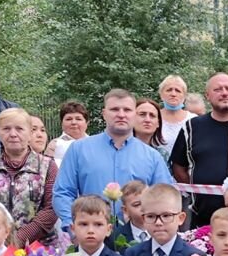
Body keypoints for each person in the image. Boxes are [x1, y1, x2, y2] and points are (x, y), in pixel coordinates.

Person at [53, 89, 174, 226]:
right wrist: (73, 225)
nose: (121, 115)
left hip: (137, 234)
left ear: (134, 114)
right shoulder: (79, 150)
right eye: (115, 109)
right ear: (104, 114)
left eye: (127, 110)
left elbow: (164, 197)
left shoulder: (152, 156)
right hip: (92, 233)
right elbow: (63, 193)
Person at [169, 74, 228, 228]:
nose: (224, 93)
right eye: (218, 89)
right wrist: (197, 193)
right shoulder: (191, 128)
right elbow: (178, 167)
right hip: (202, 219)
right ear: (207, 95)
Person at [0, 108, 59, 247]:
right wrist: (0, 239)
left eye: (19, 129)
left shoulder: (48, 166)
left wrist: (19, 239)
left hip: (39, 248)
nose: (13, 134)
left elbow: (52, 208)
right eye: (6, 129)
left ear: (30, 133)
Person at [158, 76, 197, 159]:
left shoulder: (193, 120)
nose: (173, 94)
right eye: (169, 90)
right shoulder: (153, 117)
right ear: (161, 94)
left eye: (178, 91)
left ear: (184, 96)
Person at [45, 101, 89, 165]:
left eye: (78, 119)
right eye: (69, 119)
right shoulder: (54, 145)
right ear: (61, 123)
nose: (73, 122)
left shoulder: (94, 144)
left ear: (87, 123)